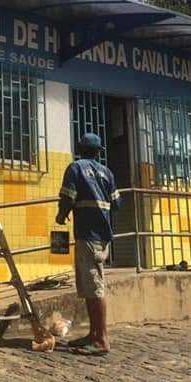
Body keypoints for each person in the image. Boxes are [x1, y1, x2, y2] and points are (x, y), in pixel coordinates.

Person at [55, 133, 121, 356]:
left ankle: (101, 339)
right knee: (90, 287)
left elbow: (68, 197)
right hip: (102, 235)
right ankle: (93, 334)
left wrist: (61, 214)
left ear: (79, 149)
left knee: (94, 288)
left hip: (87, 234)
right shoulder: (107, 172)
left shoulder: (75, 168)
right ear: (99, 151)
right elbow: (117, 203)